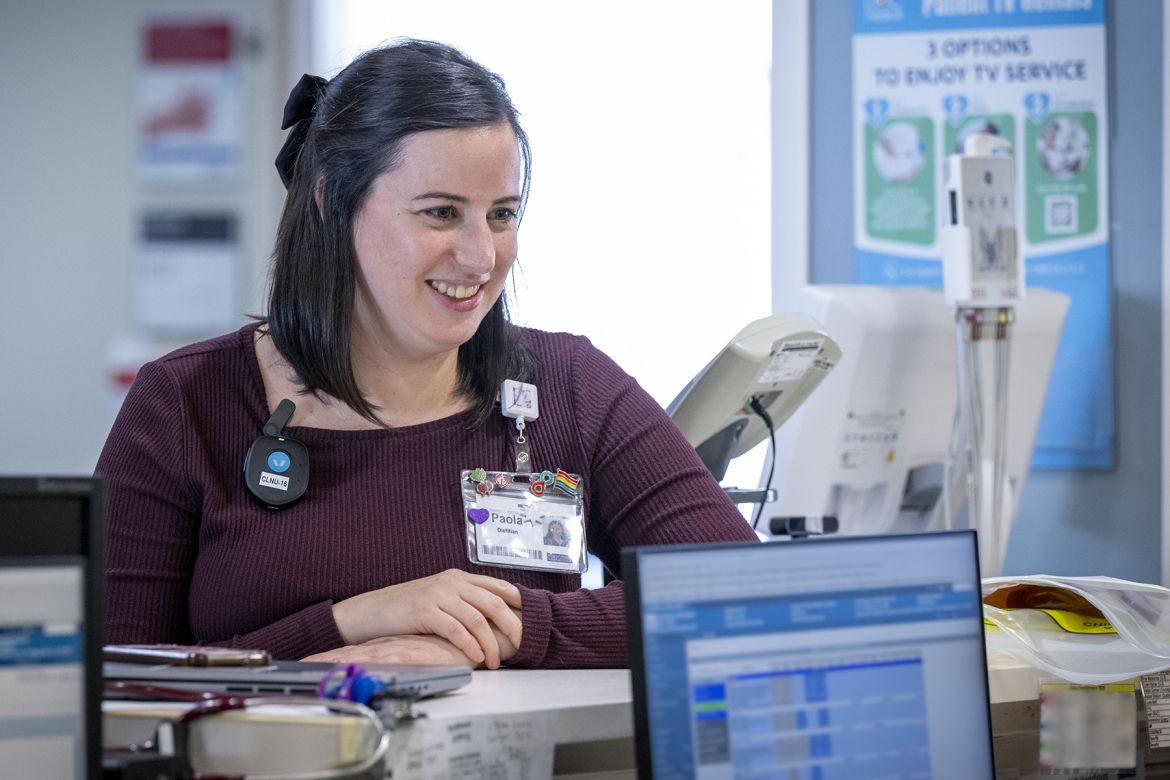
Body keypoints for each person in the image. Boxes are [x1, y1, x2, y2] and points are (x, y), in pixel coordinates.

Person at [97, 38, 757, 671]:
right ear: (332, 200)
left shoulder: (568, 387)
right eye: (441, 213)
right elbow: (110, 674)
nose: (480, 256)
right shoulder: (187, 404)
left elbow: (742, 593)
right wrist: (353, 622)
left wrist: (505, 629)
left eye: (501, 214)